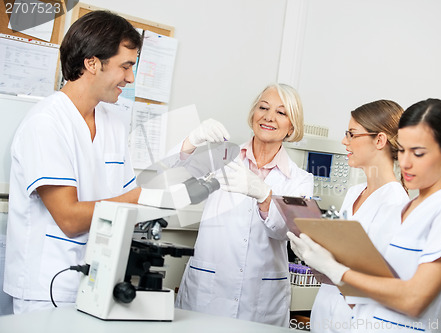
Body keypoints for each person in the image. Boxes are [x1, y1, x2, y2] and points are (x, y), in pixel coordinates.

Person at [289, 98, 441, 332]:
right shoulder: (409, 209)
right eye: (402, 150)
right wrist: (321, 260)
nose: (406, 162)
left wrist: (338, 271)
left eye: (418, 152)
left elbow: (414, 300)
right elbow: (372, 292)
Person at [3, 11, 145, 314]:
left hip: (100, 282)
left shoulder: (114, 123)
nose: (130, 78)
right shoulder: (46, 123)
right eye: (125, 66)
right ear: (91, 63)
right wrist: (143, 198)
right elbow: (69, 218)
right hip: (47, 286)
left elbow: (128, 200)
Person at [175, 83, 314, 327]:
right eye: (263, 107)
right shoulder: (221, 158)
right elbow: (173, 179)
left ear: (292, 126)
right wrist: (191, 141)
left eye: (281, 112)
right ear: (253, 114)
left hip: (262, 300)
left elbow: (286, 232)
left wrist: (265, 196)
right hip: (208, 291)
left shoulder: (301, 180)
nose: (269, 117)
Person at [309, 100, 409, 332]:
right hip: (325, 314)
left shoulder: (395, 202)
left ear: (380, 140)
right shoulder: (354, 193)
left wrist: (332, 264)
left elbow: (380, 282)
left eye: (352, 134)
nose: (345, 141)